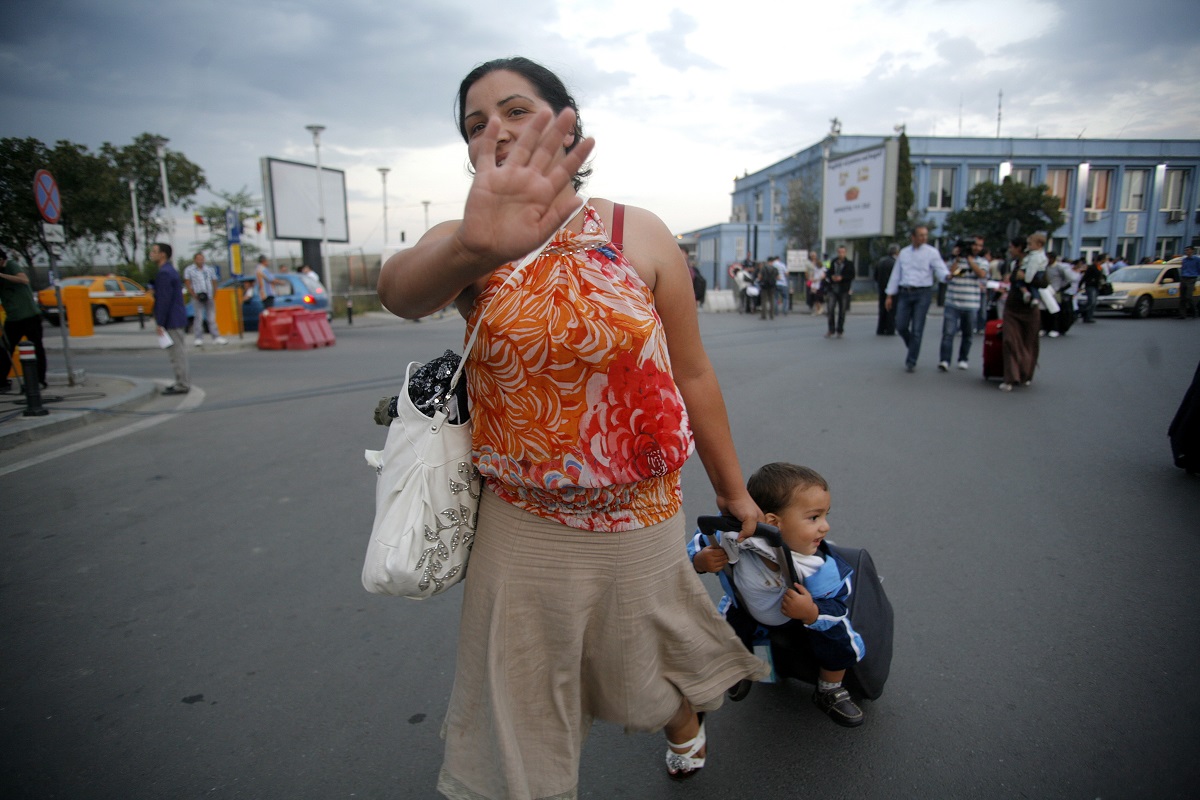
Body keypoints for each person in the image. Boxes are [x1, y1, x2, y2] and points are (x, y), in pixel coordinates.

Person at [375, 56, 768, 797]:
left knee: (639, 670)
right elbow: (398, 292)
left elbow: (692, 374)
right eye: (475, 124)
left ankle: (679, 718)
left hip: (643, 518)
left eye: (516, 110)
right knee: (518, 714)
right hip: (523, 523)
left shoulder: (639, 232)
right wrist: (473, 246)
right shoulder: (471, 240)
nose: (495, 130)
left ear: (567, 126)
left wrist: (735, 492)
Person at [688, 463, 866, 727]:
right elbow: (697, 543)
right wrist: (701, 561)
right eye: (814, 518)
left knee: (837, 641)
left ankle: (829, 688)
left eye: (826, 516)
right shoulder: (732, 536)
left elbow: (838, 607)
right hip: (746, 606)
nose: (825, 527)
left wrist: (811, 612)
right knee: (722, 632)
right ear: (772, 522)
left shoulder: (818, 567)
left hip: (799, 615)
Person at [884, 226, 949, 372]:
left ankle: (911, 360)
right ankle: (913, 346)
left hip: (923, 293)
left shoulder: (932, 252)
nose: (924, 238)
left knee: (917, 328)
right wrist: (889, 295)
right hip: (905, 292)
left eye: (925, 235)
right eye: (920, 235)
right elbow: (896, 274)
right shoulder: (904, 253)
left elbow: (940, 269)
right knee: (900, 325)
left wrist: (947, 276)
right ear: (913, 237)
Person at [998, 235, 1048, 392]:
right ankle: (1010, 378)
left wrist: (1026, 279)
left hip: (1030, 308)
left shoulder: (1036, 260)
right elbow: (1012, 280)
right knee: (1009, 340)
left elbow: (1044, 282)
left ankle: (1026, 374)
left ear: (1019, 248)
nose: (1010, 250)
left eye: (1012, 247)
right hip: (1013, 307)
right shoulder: (1014, 263)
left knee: (1029, 341)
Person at [0, 249, 47, 393]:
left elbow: (24, 279)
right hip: (13, 318)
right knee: (5, 349)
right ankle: (2, 380)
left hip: (29, 316)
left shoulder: (11, 265)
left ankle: (39, 380)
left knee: (36, 347)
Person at [938, 236, 988, 371]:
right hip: (952, 302)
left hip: (971, 304)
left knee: (968, 334)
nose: (977, 248)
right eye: (974, 245)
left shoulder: (981, 261)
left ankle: (963, 359)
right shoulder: (955, 260)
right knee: (948, 333)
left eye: (980, 246)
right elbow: (950, 274)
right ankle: (945, 360)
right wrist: (958, 258)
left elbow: (981, 274)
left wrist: (970, 260)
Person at [150, 243, 189, 395]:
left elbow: (164, 299)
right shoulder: (169, 271)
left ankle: (182, 384)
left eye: (154, 251)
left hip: (172, 320)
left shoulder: (165, 273)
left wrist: (160, 322)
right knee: (177, 353)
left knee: (177, 354)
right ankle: (181, 381)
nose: (151, 254)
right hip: (175, 317)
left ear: (163, 255)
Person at [184, 252, 227, 347]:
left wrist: (214, 293)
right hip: (197, 296)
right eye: (198, 259)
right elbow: (187, 282)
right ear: (195, 260)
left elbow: (214, 281)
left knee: (211, 317)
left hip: (209, 295)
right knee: (198, 317)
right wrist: (193, 294)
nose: (201, 260)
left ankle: (216, 337)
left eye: (202, 258)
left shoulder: (209, 269)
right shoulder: (190, 270)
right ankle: (198, 338)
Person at [824, 245, 854, 338]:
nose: (841, 254)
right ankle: (831, 329)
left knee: (842, 311)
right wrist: (831, 277)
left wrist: (842, 278)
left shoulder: (849, 263)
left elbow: (851, 275)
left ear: (845, 253)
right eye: (839, 252)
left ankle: (840, 330)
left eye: (843, 252)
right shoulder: (833, 262)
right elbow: (828, 273)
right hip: (833, 289)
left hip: (843, 289)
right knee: (830, 309)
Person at [874, 244, 899, 335]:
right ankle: (890, 329)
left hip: (881, 288)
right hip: (892, 289)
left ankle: (880, 329)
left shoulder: (880, 261)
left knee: (882, 309)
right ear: (896, 252)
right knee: (891, 309)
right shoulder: (895, 263)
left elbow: (875, 276)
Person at [1178, 246, 1198, 319]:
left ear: (1192, 251)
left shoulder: (1196, 259)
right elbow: (1183, 269)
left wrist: (1195, 277)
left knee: (1189, 296)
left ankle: (1194, 312)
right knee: (1182, 297)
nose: (1186, 251)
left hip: (1192, 278)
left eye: (1188, 250)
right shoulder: (1184, 260)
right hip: (1184, 278)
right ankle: (1182, 314)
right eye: (1186, 250)